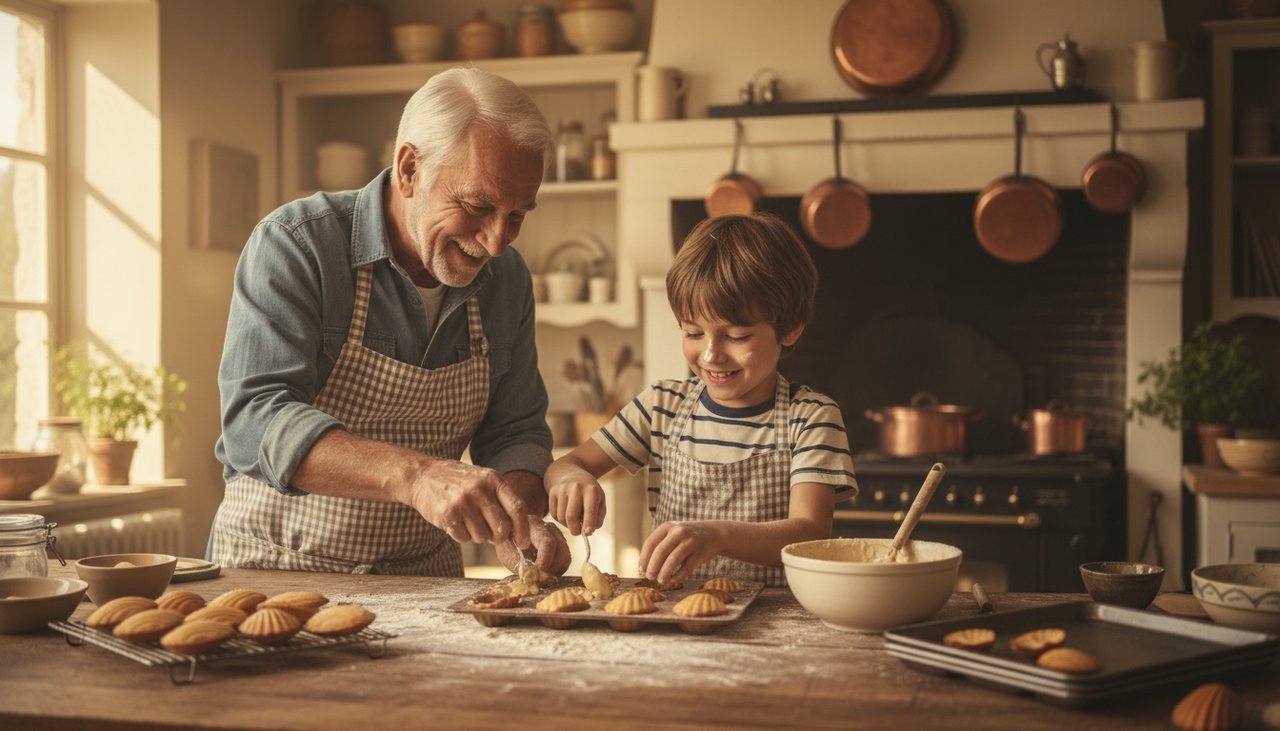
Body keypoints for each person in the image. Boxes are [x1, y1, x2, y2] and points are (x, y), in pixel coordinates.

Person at [209, 67, 570, 577]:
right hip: (275, 571)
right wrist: (416, 476)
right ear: (408, 169)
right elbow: (254, 419)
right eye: (477, 205)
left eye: (517, 216)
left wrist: (522, 518)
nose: (495, 242)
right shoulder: (298, 244)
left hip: (420, 579)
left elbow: (514, 431)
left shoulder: (507, 280)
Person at [544, 213, 857, 587]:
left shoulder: (812, 418)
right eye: (693, 332)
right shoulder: (661, 406)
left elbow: (808, 534)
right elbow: (564, 465)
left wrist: (717, 536)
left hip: (774, 624)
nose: (710, 355)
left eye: (736, 336)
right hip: (672, 616)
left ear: (789, 329)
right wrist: (573, 478)